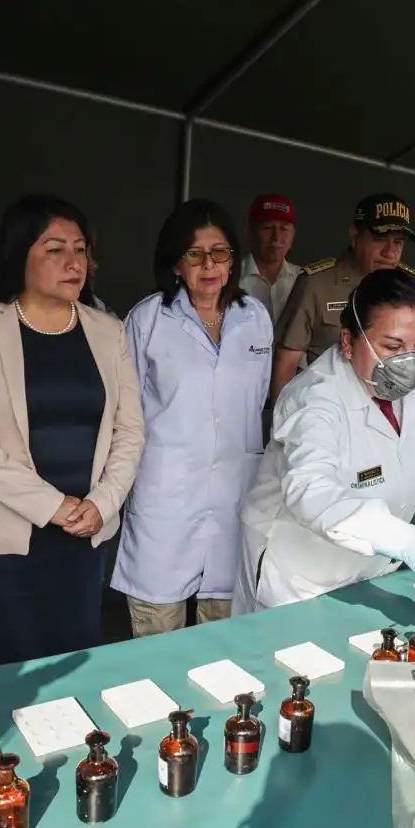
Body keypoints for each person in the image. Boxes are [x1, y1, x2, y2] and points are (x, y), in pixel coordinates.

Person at [0, 194, 143, 665]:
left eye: (80, 248)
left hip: (84, 534)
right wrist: (52, 506)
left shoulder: (109, 331)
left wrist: (102, 504)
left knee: (75, 664)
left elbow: (130, 430)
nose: (74, 262)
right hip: (0, 538)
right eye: (55, 249)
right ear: (19, 254)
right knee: (11, 673)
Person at [236, 268, 415, 613]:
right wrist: (410, 541)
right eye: (393, 346)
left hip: (373, 572)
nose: (409, 362)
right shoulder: (315, 400)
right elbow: (311, 492)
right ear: (348, 342)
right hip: (301, 580)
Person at [112, 200, 270, 636]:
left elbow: (254, 402)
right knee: (156, 636)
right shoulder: (148, 319)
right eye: (195, 254)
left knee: (224, 636)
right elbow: (127, 412)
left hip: (233, 497)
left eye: (219, 252)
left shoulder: (254, 318)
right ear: (176, 263)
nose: (209, 265)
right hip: (166, 497)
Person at [270, 192, 415, 403]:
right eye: (379, 239)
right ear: (354, 236)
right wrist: (281, 428)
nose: (390, 252)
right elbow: (286, 364)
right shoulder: (317, 283)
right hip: (328, 411)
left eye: (398, 242)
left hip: (390, 413)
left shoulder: (413, 287)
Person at [238, 193, 302, 325]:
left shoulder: (304, 280)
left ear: (293, 235)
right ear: (249, 233)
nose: (276, 237)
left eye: (284, 228)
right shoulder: (229, 278)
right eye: (267, 228)